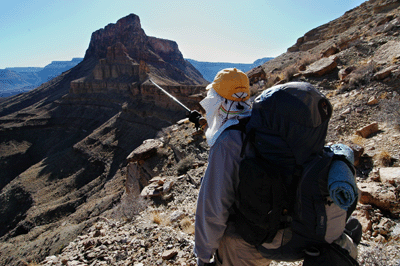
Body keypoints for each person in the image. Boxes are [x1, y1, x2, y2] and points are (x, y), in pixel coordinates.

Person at [194, 68, 272, 266]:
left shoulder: (227, 143)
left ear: (221, 99)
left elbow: (214, 207)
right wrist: (203, 124)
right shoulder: (258, 124)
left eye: (213, 96)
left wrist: (203, 255)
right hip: (268, 234)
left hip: (241, 245)